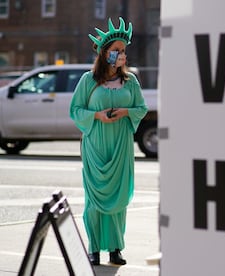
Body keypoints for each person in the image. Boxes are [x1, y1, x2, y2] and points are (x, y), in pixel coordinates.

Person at [69, 17, 148, 266]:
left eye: (123, 51)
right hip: (95, 143)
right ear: (104, 54)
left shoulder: (131, 81)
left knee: (119, 198)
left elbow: (141, 108)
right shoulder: (88, 81)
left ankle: (115, 248)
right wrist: (97, 116)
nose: (121, 55)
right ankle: (93, 249)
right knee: (94, 200)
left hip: (121, 144)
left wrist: (125, 112)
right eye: (116, 51)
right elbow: (75, 110)